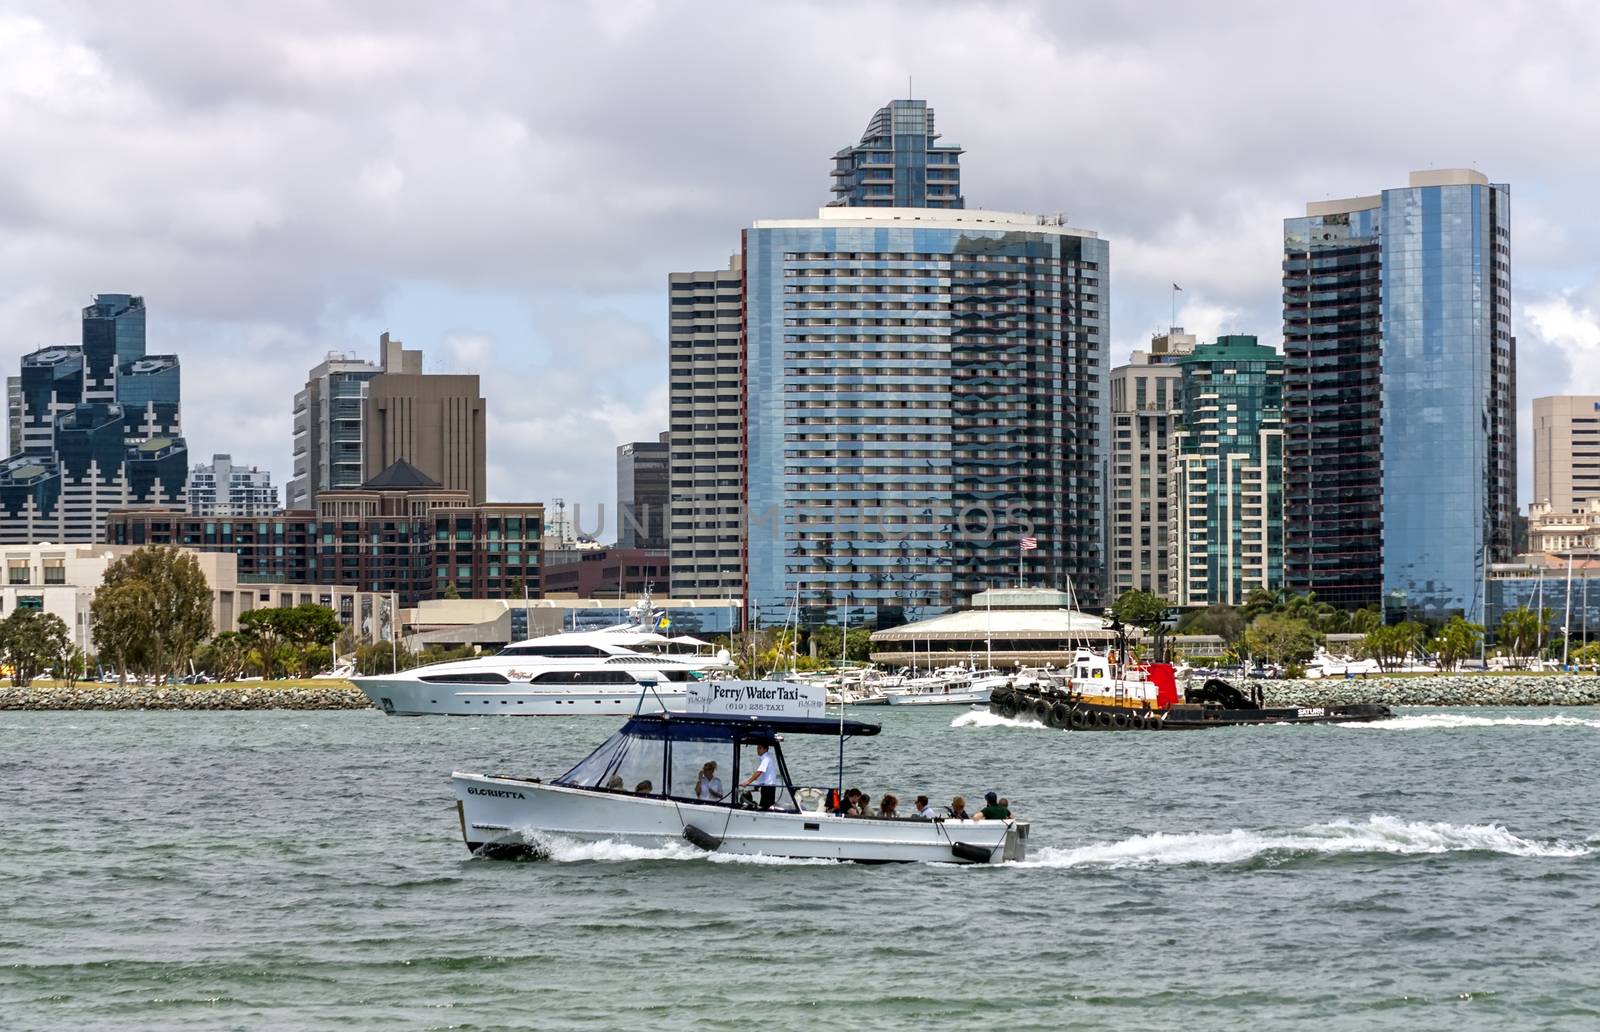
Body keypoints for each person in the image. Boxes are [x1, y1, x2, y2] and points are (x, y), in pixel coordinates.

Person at [740, 743, 779, 809]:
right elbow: (763, 775)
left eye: (760, 748)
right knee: (765, 807)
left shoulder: (766, 759)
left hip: (768, 788)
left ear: (765, 749)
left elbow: (759, 772)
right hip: (767, 787)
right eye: (757, 748)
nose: (757, 750)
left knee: (764, 808)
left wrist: (748, 782)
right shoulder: (765, 759)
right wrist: (756, 785)